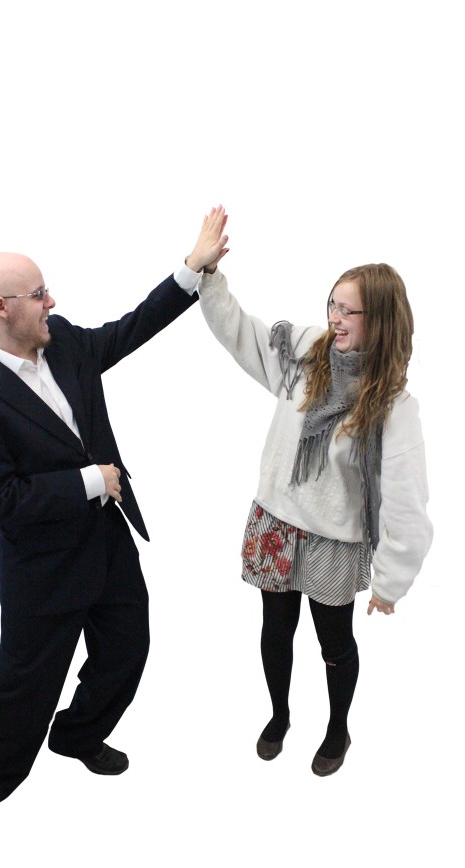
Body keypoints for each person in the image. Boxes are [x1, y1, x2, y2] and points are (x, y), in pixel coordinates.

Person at [0, 215, 228, 842]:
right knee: (24, 682)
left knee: (127, 648)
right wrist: (90, 480)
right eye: (40, 293)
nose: (53, 302)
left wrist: (192, 266)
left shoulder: (64, 341)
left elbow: (127, 332)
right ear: (1, 308)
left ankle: (77, 736)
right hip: (41, 568)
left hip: (105, 544)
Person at [184, 205, 432, 776]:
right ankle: (278, 715)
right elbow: (243, 333)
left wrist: (391, 581)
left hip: (333, 542)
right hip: (276, 522)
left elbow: (407, 505)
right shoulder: (305, 353)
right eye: (332, 304)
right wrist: (208, 276)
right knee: (275, 630)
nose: (335, 318)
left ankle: (338, 730)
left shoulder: (393, 408)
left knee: (334, 644)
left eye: (349, 310)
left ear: (381, 320)